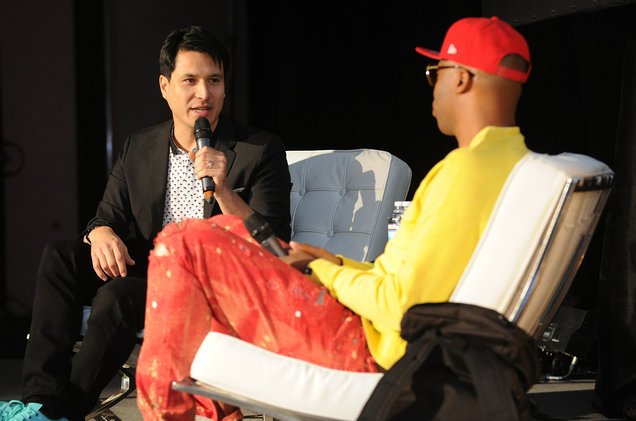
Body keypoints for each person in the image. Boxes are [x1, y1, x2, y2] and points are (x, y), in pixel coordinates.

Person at [135, 16, 532, 420]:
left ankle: (165, 413)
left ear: (461, 79)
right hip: (384, 330)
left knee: (183, 242)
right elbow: (408, 283)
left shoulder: (464, 173)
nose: (433, 86)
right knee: (220, 232)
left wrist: (326, 273)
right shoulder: (505, 164)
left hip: (371, 346)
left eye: (436, 72)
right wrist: (335, 261)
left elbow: (399, 306)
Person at [0, 26, 291, 421]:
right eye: (190, 80)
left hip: (211, 283)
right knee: (60, 256)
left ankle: (59, 412)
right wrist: (101, 233)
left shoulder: (259, 149)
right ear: (165, 87)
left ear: (225, 88)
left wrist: (224, 192)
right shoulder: (140, 146)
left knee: (117, 296)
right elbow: (106, 216)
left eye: (214, 81)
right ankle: (38, 401)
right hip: (152, 268)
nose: (204, 94)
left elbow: (275, 243)